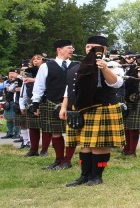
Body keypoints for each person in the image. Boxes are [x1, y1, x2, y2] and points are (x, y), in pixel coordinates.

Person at [61, 35, 126, 186]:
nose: (90, 50)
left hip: (102, 108)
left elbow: (116, 83)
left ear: (103, 49)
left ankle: (97, 176)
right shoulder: (78, 65)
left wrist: (104, 68)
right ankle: (84, 176)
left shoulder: (112, 65)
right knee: (85, 145)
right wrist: (65, 106)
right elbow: (69, 89)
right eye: (88, 47)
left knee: (99, 145)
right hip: (81, 110)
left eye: (94, 47)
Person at [31, 40, 77, 170]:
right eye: (69, 48)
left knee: (72, 133)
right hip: (52, 102)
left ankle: (67, 161)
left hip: (72, 104)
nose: (71, 50)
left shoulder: (76, 65)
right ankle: (59, 160)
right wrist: (36, 103)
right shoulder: (46, 66)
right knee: (55, 133)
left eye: (72, 48)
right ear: (59, 49)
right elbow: (39, 85)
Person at [121, 53, 140, 156]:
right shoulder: (121, 69)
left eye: (132, 57)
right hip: (122, 98)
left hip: (135, 98)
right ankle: (126, 149)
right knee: (125, 126)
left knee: (134, 126)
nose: (129, 59)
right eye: (127, 57)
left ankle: (132, 150)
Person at [21, 54, 47, 156]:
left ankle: (44, 150)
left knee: (46, 127)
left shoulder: (48, 69)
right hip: (31, 100)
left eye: (39, 59)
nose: (36, 61)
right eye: (34, 59)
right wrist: (22, 103)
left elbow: (47, 82)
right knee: (32, 126)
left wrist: (34, 80)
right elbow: (24, 88)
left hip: (44, 99)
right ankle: (33, 149)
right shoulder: (29, 72)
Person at [1, 69, 22, 140]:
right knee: (8, 119)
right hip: (7, 102)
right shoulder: (6, 82)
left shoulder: (18, 81)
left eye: (13, 73)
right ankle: (10, 133)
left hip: (15, 102)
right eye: (10, 73)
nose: (11, 75)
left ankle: (17, 134)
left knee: (15, 119)